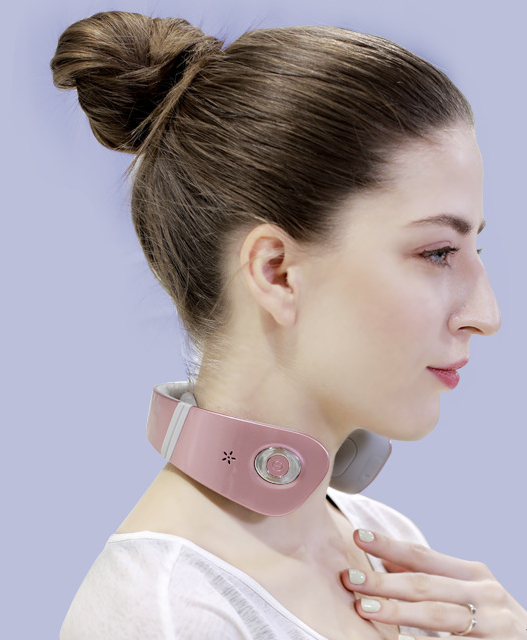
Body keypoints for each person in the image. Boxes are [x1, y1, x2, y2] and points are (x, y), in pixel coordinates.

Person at [50, 10, 526, 640]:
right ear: (275, 272)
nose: (486, 315)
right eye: (438, 252)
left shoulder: (389, 545)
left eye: (474, 251)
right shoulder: (161, 614)